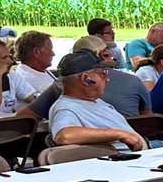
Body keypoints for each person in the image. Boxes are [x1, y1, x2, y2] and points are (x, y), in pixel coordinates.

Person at [21, 37, 152, 121]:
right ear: (85, 78)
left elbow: (26, 116)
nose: (106, 79)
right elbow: (147, 119)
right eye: (106, 54)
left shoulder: (62, 86)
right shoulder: (133, 81)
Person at [47, 51, 146, 151]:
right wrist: (119, 134)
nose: (107, 79)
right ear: (85, 79)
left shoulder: (94, 101)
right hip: (121, 161)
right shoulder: (66, 108)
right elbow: (64, 136)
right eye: (103, 74)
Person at [0, 38, 36, 116]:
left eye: (10, 56)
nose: (11, 61)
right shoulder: (0, 75)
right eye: (5, 57)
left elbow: (33, 99)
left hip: (10, 125)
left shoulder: (11, 76)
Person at [13, 30, 56, 99]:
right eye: (50, 49)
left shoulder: (37, 70)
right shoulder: (28, 79)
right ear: (37, 52)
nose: (53, 54)